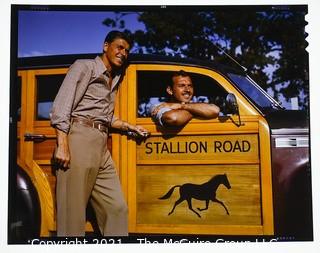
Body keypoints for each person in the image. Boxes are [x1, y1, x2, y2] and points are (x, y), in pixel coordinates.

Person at [50, 30, 149, 236]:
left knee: (117, 209)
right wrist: (63, 145)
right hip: (79, 137)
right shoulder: (84, 66)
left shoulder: (115, 79)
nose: (123, 53)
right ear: (106, 46)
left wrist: (130, 127)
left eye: (127, 50)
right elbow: (62, 106)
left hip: (101, 144)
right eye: (119, 47)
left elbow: (105, 116)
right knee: (72, 215)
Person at [150, 70, 220, 126]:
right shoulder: (158, 107)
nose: (187, 90)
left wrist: (182, 106)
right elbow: (174, 118)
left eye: (190, 86)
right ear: (170, 90)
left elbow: (215, 110)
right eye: (181, 85)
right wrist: (197, 111)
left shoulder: (190, 105)